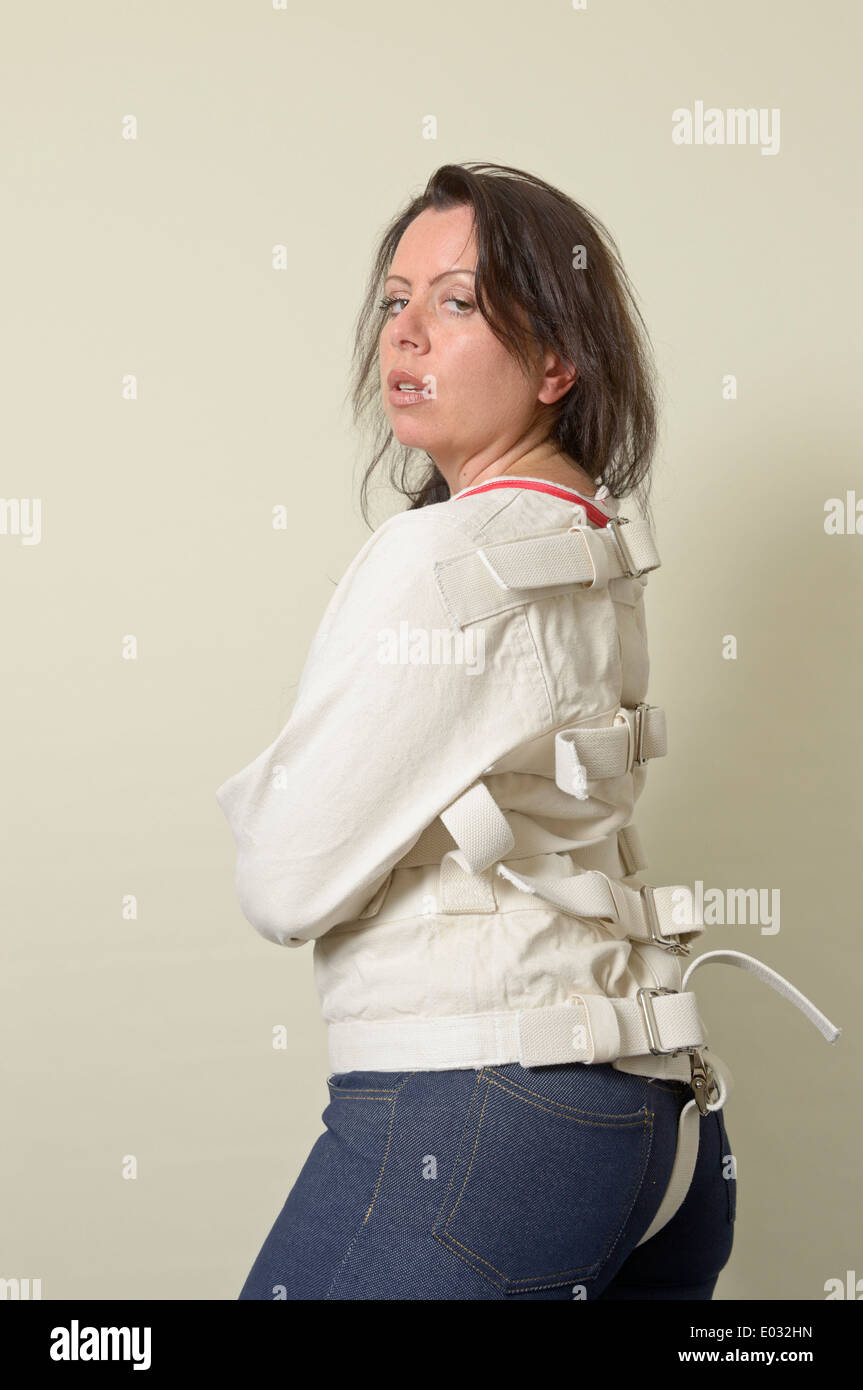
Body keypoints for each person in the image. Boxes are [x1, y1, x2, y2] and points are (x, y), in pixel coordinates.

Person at [215, 162, 840, 1301]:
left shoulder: (438, 557)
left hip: (479, 1119)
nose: (404, 334)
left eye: (456, 302)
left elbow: (284, 876)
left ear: (557, 360)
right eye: (394, 300)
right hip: (660, 1128)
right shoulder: (595, 545)